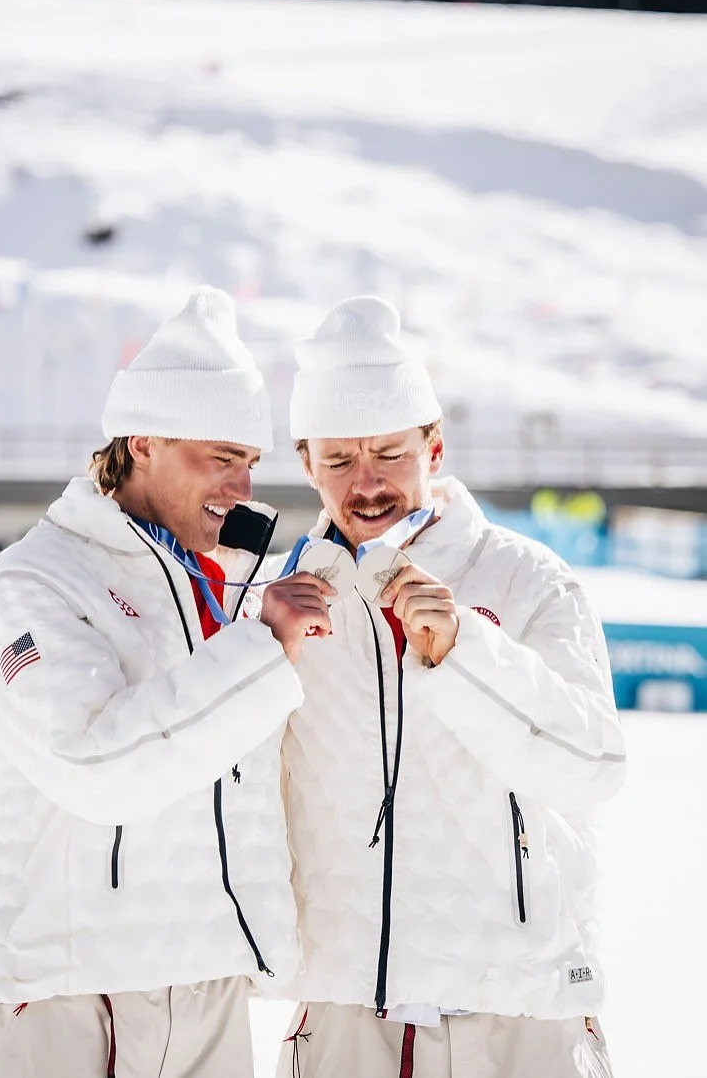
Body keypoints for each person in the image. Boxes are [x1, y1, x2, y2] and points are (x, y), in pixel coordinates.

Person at [0, 287, 332, 1078]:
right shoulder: (36, 581)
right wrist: (262, 648)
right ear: (144, 442)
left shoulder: (221, 586)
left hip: (208, 983)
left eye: (250, 463)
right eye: (220, 458)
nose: (240, 487)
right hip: (70, 990)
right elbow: (97, 766)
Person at [274, 296, 626, 1077]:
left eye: (389, 453)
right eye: (337, 460)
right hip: (344, 1018)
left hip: (520, 1011)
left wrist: (468, 650)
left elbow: (595, 765)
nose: (365, 485)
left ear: (434, 444)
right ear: (306, 463)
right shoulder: (279, 600)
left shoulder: (527, 578)